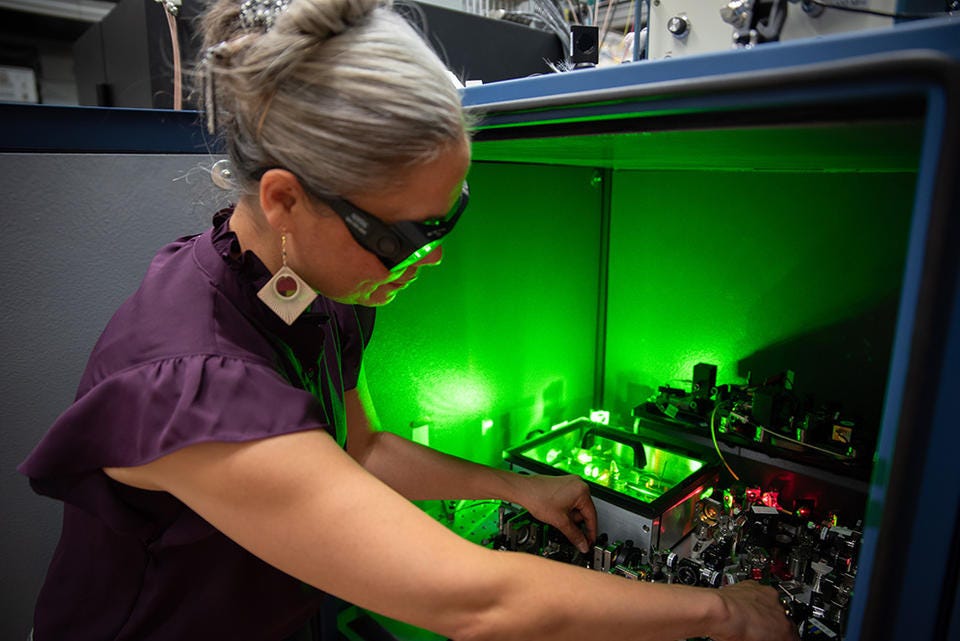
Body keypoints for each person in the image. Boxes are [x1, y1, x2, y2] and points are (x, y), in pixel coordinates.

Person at [18, 0, 799, 639]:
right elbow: (476, 601)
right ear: (285, 198)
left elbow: (361, 448)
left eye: (445, 221)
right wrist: (724, 610)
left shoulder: (305, 282)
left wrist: (513, 488)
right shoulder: (190, 383)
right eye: (397, 236)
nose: (420, 262)